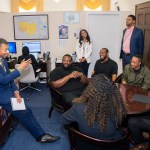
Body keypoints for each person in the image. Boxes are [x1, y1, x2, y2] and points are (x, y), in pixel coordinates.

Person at [0, 38, 60, 143]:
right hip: (3, 97)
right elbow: (4, 80)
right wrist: (20, 68)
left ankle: (40, 135)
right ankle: (41, 136)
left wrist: (16, 92)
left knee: (27, 111)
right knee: (25, 112)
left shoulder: (3, 61)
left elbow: (9, 78)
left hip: (10, 92)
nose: (8, 52)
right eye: (5, 49)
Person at [61, 74, 126, 140]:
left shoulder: (78, 108)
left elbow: (63, 120)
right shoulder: (117, 107)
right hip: (113, 144)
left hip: (84, 144)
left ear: (90, 90)